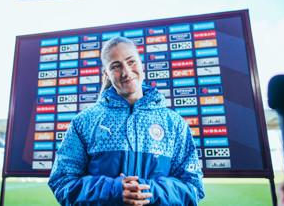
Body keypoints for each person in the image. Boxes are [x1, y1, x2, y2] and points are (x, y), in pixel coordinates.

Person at [48, 36, 204, 205]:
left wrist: (146, 191)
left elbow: (193, 188)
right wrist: (113, 190)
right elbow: (62, 182)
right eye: (116, 66)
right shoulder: (84, 122)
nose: (126, 72)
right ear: (106, 73)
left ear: (141, 63)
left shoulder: (174, 124)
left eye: (131, 62)